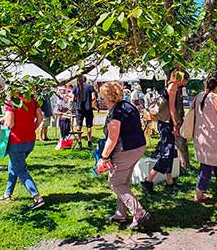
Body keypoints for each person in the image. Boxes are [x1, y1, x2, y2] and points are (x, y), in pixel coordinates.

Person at [98, 82, 149, 230]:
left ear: (107, 97)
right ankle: (121, 213)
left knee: (115, 182)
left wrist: (104, 157)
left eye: (103, 96)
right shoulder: (128, 105)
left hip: (126, 149)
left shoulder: (116, 112)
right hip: (138, 147)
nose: (102, 99)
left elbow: (113, 138)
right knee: (124, 181)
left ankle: (138, 212)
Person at [141, 69, 189, 194]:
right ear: (180, 78)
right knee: (167, 153)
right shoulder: (173, 87)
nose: (185, 83)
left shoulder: (171, 86)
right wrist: (175, 124)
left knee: (171, 152)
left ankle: (169, 181)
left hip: (165, 123)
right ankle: (148, 181)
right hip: (167, 123)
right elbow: (171, 108)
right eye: (185, 80)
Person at [0, 90, 45, 210]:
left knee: (20, 170)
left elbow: (10, 123)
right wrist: (32, 129)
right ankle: (7, 194)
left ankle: (36, 197)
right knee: (13, 166)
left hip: (16, 142)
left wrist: (2, 119)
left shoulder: (11, 103)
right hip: (30, 141)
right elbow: (40, 117)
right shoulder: (32, 101)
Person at [73, 75, 96, 148]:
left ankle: (79, 142)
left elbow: (73, 98)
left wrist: (77, 100)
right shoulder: (90, 87)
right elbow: (93, 97)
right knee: (89, 126)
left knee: (79, 125)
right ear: (85, 80)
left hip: (79, 108)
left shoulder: (76, 88)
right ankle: (89, 141)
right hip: (88, 108)